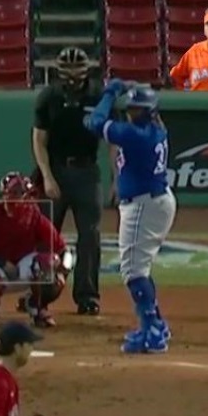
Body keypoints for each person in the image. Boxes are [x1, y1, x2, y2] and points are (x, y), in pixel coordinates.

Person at [83, 80, 175, 354]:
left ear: (148, 111)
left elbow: (94, 123)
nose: (132, 113)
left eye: (137, 109)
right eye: (131, 108)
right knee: (140, 268)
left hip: (144, 205)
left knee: (133, 272)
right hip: (153, 200)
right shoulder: (155, 129)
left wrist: (110, 93)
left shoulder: (137, 136)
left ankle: (152, 332)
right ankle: (155, 323)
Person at [31, 46, 105, 317]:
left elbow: (113, 140)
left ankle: (87, 296)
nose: (73, 74)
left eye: (78, 68)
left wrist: (118, 178)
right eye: (68, 68)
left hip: (87, 171)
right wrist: (47, 176)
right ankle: (38, 293)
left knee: (90, 236)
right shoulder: (49, 96)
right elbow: (39, 140)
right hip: (56, 170)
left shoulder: (99, 96)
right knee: (44, 236)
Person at [0, 171, 74, 328]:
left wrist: (64, 269)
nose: (25, 200)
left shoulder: (34, 215)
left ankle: (36, 307)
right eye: (18, 194)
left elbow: (63, 249)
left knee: (49, 265)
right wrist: (2, 262)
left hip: (25, 268)